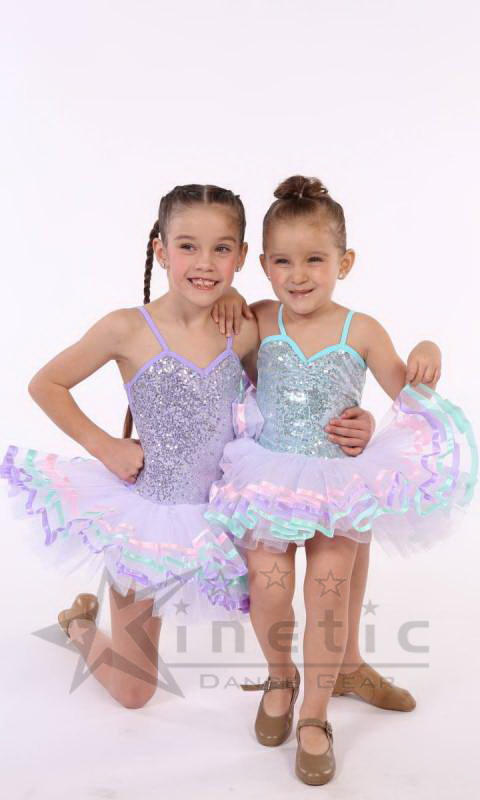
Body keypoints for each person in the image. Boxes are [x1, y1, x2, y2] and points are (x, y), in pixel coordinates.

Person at [205, 175, 477, 784]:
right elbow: (214, 348)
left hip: (337, 487)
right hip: (270, 479)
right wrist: (230, 298)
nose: (298, 275)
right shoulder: (261, 319)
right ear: (264, 265)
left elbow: (407, 397)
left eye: (315, 260)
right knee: (270, 590)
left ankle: (316, 713)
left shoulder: (362, 329)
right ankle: (280, 677)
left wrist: (428, 350)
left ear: (344, 263)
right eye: (282, 261)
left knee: (327, 596)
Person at [0, 183, 262, 708]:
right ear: (161, 250)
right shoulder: (127, 328)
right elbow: (46, 384)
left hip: (220, 513)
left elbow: (285, 392)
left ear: (241, 255)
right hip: (146, 518)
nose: (204, 262)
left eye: (221, 248)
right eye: (187, 246)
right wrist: (106, 447)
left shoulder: (246, 328)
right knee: (134, 691)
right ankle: (79, 625)